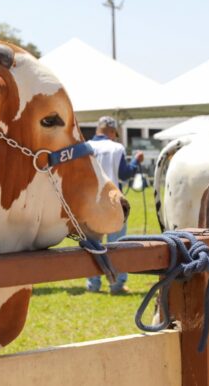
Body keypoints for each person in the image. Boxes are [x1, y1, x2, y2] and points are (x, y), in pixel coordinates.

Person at [85, 116, 144, 294]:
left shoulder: (86, 147)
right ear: (111, 132)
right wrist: (136, 161)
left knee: (93, 245)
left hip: (91, 203)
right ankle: (117, 284)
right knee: (116, 245)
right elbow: (124, 174)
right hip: (113, 202)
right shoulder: (117, 148)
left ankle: (93, 284)